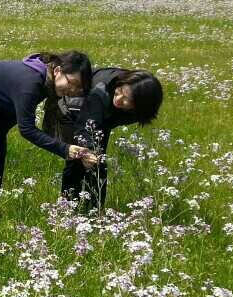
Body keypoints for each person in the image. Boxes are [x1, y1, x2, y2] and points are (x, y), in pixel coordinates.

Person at [0, 51, 98, 203]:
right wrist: (65, 149)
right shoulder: (31, 83)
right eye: (72, 82)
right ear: (58, 71)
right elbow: (27, 129)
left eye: (78, 88)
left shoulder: (46, 82)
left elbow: (15, 109)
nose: (72, 90)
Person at [43, 68, 163, 208]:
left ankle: (95, 209)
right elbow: (87, 124)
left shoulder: (142, 104)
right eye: (119, 92)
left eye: (127, 100)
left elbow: (104, 122)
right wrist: (87, 151)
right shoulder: (101, 91)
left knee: (98, 161)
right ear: (120, 83)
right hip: (70, 109)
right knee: (78, 158)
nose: (118, 100)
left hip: (98, 115)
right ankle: (67, 208)